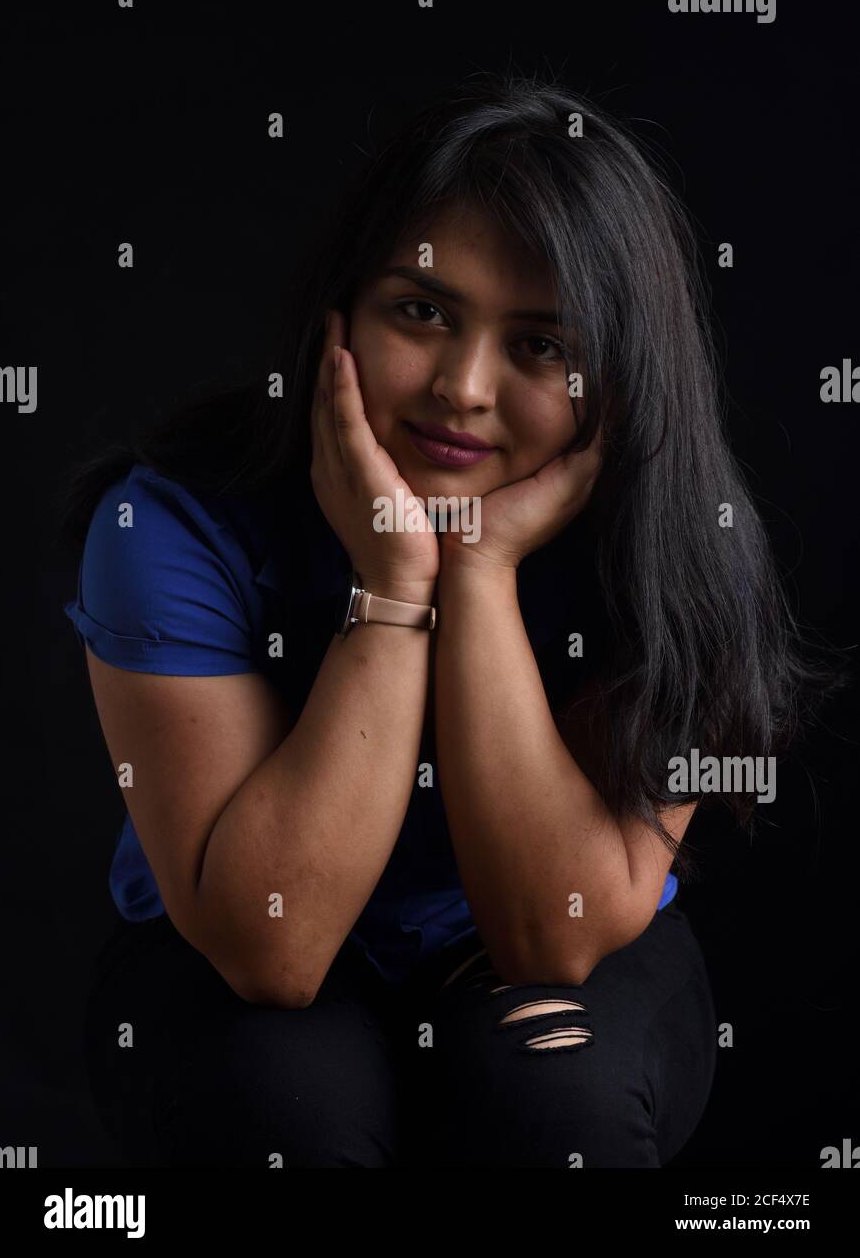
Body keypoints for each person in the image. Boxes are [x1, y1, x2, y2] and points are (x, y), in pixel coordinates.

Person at [58, 70, 843, 1168]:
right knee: (285, 1101)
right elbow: (271, 945)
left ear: (618, 380)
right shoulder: (171, 523)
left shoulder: (679, 551)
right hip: (232, 948)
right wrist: (394, 584)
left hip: (531, 943)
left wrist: (476, 574)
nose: (461, 387)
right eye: (421, 312)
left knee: (554, 1096)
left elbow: (552, 933)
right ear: (341, 314)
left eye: (540, 346)